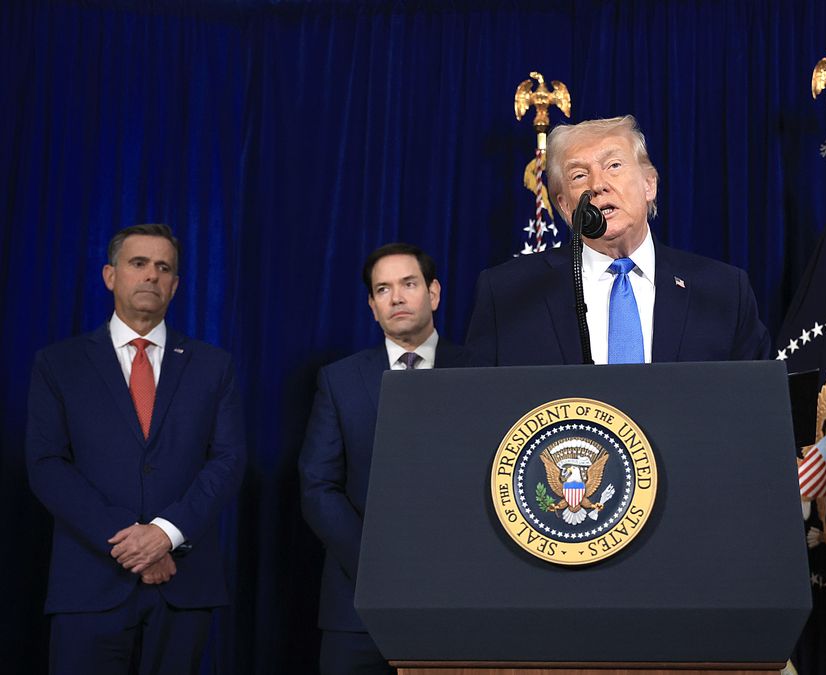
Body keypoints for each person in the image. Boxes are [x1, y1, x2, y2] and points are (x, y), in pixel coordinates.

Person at [26, 223, 246, 675]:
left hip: (182, 587)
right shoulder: (59, 364)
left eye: (163, 267)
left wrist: (166, 533)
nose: (151, 275)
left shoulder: (213, 366)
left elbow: (227, 460)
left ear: (176, 285)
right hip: (90, 585)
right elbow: (47, 465)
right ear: (111, 275)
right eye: (138, 263)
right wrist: (132, 544)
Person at [466, 114, 771, 365]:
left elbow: (753, 411)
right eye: (578, 176)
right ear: (565, 206)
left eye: (614, 166)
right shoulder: (507, 294)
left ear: (649, 184)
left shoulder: (725, 292)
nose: (598, 185)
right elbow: (481, 413)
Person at [299, 243, 470, 675]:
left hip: (459, 605)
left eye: (408, 284)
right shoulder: (339, 380)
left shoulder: (481, 372)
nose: (396, 298)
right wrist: (376, 566)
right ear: (372, 306)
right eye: (383, 289)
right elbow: (318, 486)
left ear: (433, 293)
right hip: (356, 609)